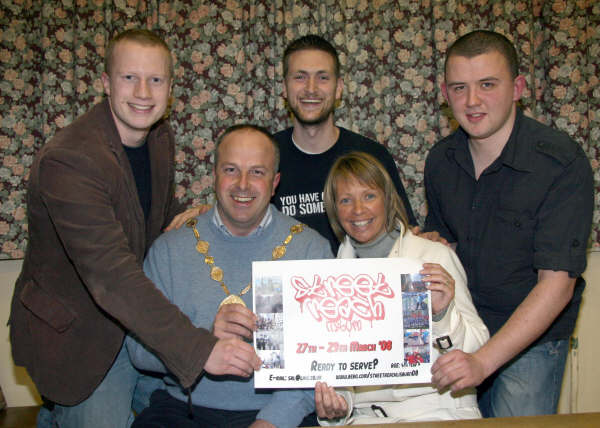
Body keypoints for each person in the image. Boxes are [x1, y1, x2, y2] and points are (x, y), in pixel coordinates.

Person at [9, 29, 243, 428]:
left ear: (170, 89)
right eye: (128, 77)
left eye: (155, 79)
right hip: (79, 335)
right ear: (105, 83)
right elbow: (111, 276)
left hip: (135, 321)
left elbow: (149, 211)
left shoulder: (158, 137)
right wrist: (198, 347)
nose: (143, 92)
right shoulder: (70, 160)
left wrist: (196, 215)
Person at [425, 30, 594, 417]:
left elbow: (556, 287)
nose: (471, 101)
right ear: (445, 93)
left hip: (532, 343)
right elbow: (443, 247)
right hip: (462, 330)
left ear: (518, 87)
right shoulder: (440, 161)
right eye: (459, 87)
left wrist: (483, 362)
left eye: (487, 85)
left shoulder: (561, 163)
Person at [127, 124, 333, 428]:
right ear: (214, 176)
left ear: (275, 182)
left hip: (279, 413)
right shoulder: (169, 249)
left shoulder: (310, 249)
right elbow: (138, 351)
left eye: (257, 172)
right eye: (231, 169)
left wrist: (271, 421)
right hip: (183, 410)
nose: (243, 184)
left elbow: (320, 360)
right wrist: (202, 344)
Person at [313, 152, 489, 424]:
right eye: (345, 200)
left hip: (437, 412)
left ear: (388, 198)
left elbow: (477, 348)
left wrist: (442, 315)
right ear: (334, 209)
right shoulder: (332, 276)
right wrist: (338, 407)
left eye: (369, 196)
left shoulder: (432, 258)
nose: (358, 210)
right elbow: (340, 369)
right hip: (365, 419)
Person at [272, 35, 417, 252]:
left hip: (362, 283)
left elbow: (406, 238)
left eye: (322, 78)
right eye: (300, 77)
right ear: (284, 87)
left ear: (339, 88)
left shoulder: (371, 156)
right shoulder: (264, 157)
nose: (311, 89)